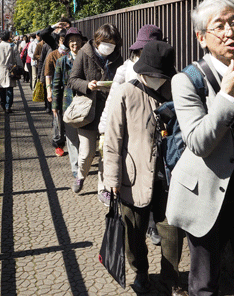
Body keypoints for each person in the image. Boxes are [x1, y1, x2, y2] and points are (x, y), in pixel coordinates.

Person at [165, 0, 234, 296]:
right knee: (204, 284)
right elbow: (198, 142)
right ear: (202, 38)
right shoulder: (187, 81)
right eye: (220, 26)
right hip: (206, 194)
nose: (230, 32)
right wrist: (226, 96)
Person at [103, 40, 187, 295]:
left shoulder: (176, 91)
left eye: (158, 75)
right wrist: (112, 179)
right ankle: (140, 272)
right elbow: (113, 139)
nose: (153, 79)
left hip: (171, 177)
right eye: (149, 74)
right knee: (134, 232)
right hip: (134, 176)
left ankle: (169, 277)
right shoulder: (125, 92)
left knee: (172, 233)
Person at [99, 24, 166, 244]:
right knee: (133, 227)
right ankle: (140, 270)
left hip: (162, 166)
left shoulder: (170, 81)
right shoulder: (125, 76)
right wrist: (111, 177)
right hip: (133, 160)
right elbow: (112, 112)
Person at [67, 23, 123, 205]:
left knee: (105, 153)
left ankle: (104, 189)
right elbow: (72, 80)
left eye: (112, 43)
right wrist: (87, 85)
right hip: (88, 113)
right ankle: (80, 176)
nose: (109, 46)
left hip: (109, 112)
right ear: (98, 41)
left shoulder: (117, 58)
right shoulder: (85, 53)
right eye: (106, 42)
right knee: (87, 153)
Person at [52, 27, 85, 178]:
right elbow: (56, 84)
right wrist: (55, 106)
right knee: (71, 137)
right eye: (71, 41)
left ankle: (83, 162)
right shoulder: (62, 61)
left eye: (77, 40)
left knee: (83, 136)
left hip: (85, 102)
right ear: (67, 43)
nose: (75, 44)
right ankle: (76, 167)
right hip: (68, 102)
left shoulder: (87, 60)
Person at [45, 29, 68, 156]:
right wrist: (49, 91)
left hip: (70, 89)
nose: (64, 43)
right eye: (62, 40)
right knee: (57, 117)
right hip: (56, 89)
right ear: (58, 41)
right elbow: (48, 74)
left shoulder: (73, 54)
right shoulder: (53, 55)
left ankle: (72, 141)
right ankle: (58, 143)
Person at [0, 31, 23, 113]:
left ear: (1, 38)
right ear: (8, 38)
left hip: (0, 69)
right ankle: (8, 106)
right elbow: (17, 58)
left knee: (2, 88)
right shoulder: (12, 46)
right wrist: (20, 67)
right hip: (11, 69)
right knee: (9, 88)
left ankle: (3, 104)